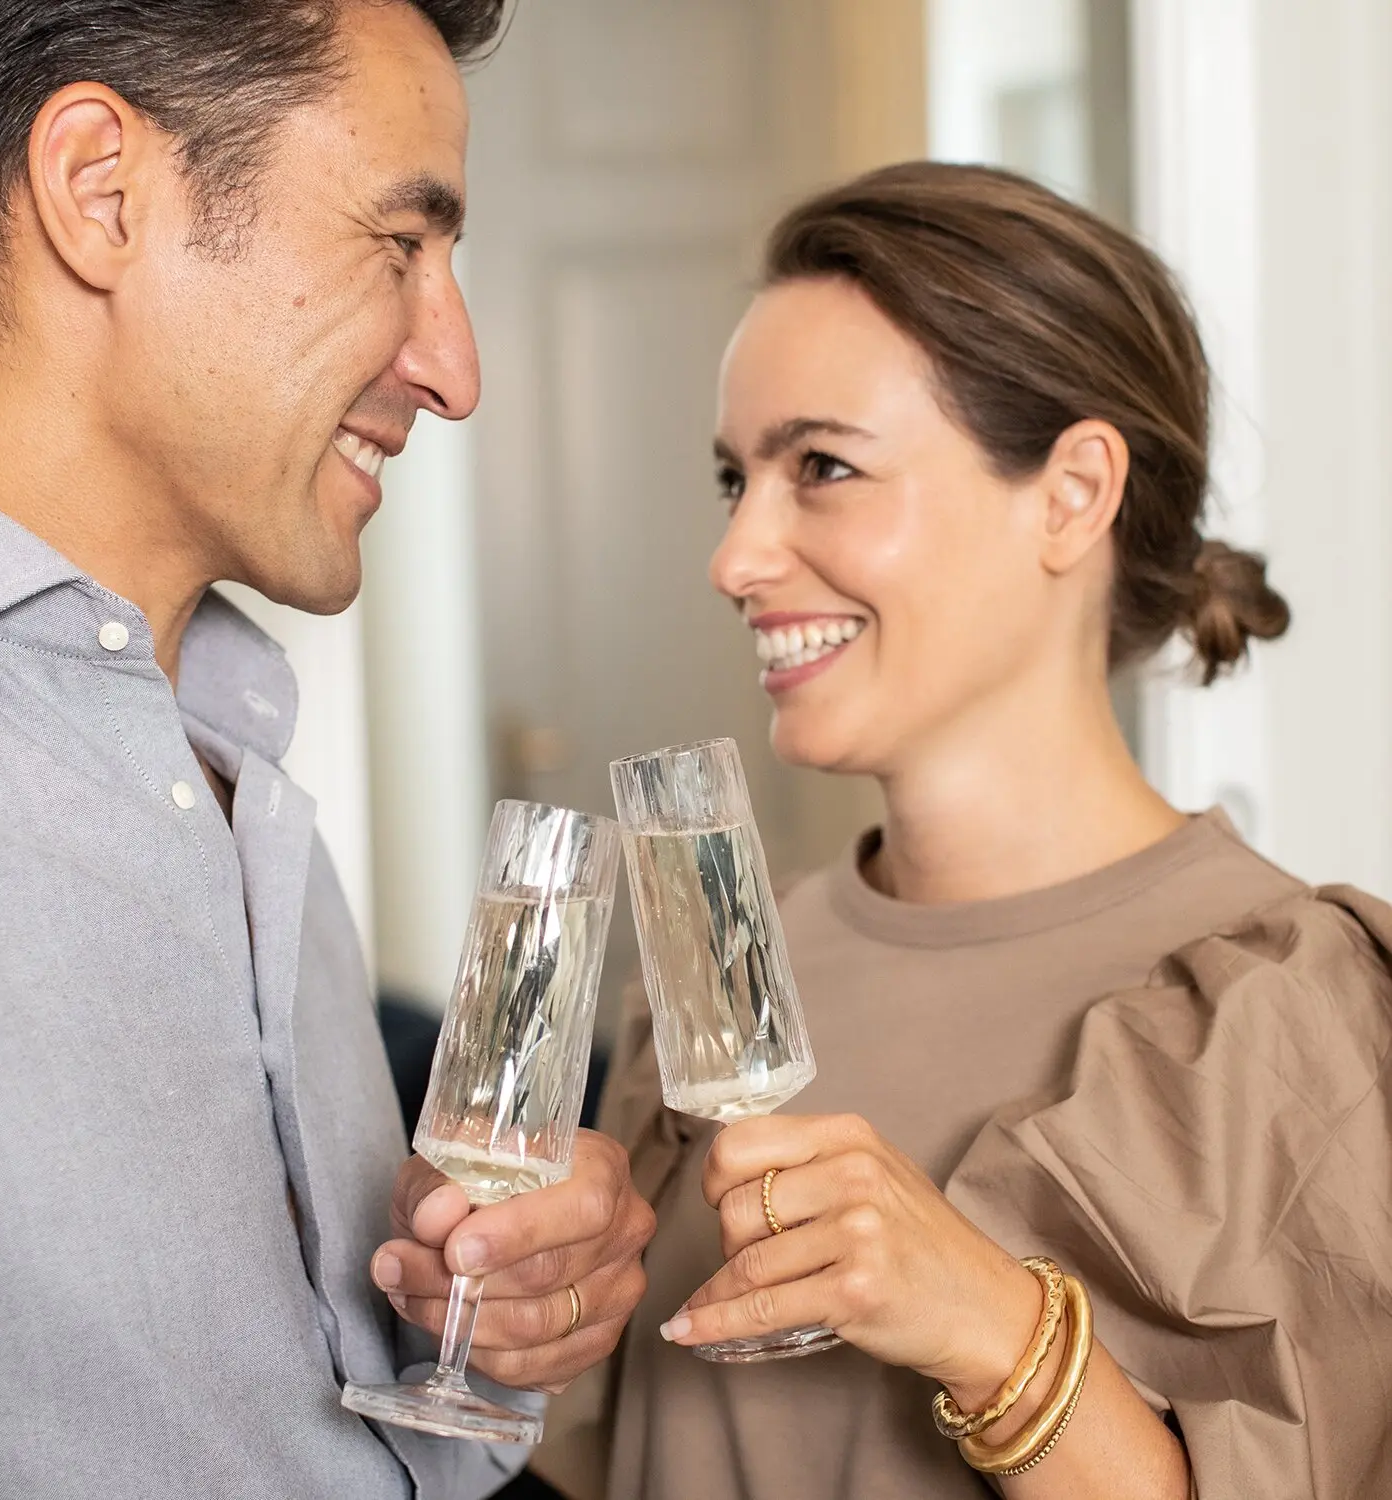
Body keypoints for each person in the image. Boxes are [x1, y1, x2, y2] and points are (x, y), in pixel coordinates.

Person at [524, 163, 1392, 1499]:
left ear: (1072, 494)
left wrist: (994, 1334)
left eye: (823, 468)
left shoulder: (1291, 1016)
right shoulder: (726, 976)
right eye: (735, 479)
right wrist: (508, 1320)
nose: (737, 558)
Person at [0, 3, 652, 1497]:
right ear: (102, 192)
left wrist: (483, 1325)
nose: (455, 369)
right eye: (399, 244)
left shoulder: (233, 748)